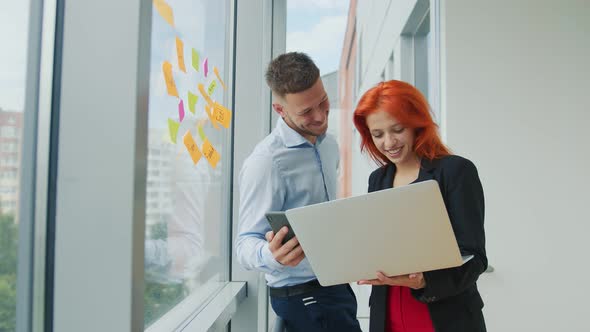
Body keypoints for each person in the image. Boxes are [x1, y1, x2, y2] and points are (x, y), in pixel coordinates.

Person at [235, 52, 362, 332]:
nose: (319, 116)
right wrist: (272, 255)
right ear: (280, 110)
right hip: (302, 297)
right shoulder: (266, 162)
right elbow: (244, 244)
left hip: (335, 288)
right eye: (306, 111)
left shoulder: (327, 145)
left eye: (323, 102)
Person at [353, 80, 487, 332]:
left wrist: (425, 280)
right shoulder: (378, 179)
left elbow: (475, 257)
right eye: (378, 134)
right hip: (388, 313)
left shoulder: (456, 171)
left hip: (444, 314)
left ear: (417, 123)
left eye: (397, 129)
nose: (389, 142)